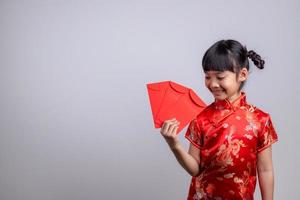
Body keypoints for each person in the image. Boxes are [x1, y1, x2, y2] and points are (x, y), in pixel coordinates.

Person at [159, 39, 278, 200]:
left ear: (242, 75)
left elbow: (265, 170)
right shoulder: (200, 118)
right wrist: (174, 144)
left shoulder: (260, 120)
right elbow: (195, 169)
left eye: (220, 77)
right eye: (208, 77)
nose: (213, 84)